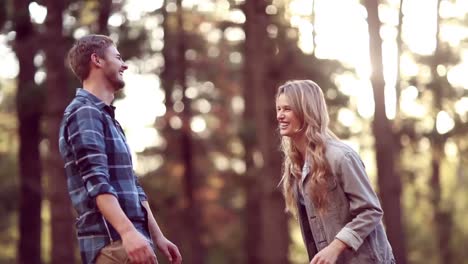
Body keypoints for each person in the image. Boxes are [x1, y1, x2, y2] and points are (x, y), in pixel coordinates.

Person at [59, 34, 182, 264]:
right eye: (117, 57)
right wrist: (127, 233)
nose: (124, 64)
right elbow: (97, 181)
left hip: (132, 242)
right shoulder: (84, 112)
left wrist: (157, 236)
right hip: (114, 244)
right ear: (97, 60)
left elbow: (133, 186)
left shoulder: (107, 118)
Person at [276, 80, 395, 264]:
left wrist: (335, 247)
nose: (280, 116)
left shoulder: (341, 157)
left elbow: (370, 210)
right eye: (278, 109)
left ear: (306, 110)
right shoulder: (295, 168)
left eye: (287, 109)